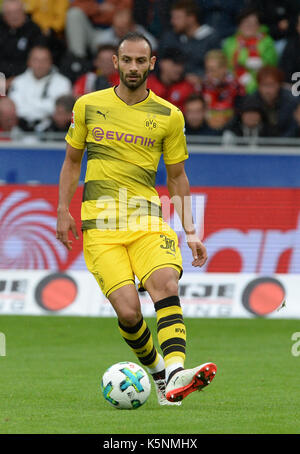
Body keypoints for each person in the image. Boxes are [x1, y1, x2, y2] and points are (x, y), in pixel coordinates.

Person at [56, 32, 217, 406]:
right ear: (115, 62)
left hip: (147, 218)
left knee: (166, 282)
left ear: (151, 63)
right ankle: (161, 376)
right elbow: (71, 161)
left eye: (140, 61)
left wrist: (190, 230)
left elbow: (177, 177)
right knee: (129, 312)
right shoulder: (88, 106)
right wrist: (63, 209)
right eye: (126, 60)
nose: (133, 67)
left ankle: (178, 372)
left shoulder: (168, 115)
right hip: (100, 225)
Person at [8, 45, 72, 131]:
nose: (40, 64)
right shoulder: (18, 81)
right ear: (29, 62)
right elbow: (15, 109)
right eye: (36, 60)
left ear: (51, 62)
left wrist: (29, 103)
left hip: (52, 132)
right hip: (19, 129)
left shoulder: (63, 82)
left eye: (44, 60)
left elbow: (60, 111)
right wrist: (44, 107)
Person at [159, 0, 220, 80]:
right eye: (172, 18)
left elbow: (216, 69)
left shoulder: (211, 39)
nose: (172, 22)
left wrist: (200, 77)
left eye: (177, 18)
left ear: (191, 18)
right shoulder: (171, 37)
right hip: (176, 85)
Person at [223, 7, 278, 94]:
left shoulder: (267, 42)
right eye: (245, 23)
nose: (249, 26)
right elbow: (227, 66)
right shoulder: (230, 43)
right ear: (239, 25)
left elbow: (271, 66)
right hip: (234, 85)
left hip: (260, 84)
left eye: (253, 23)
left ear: (259, 26)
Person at [245, 65, 299, 138]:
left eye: (271, 85)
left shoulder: (292, 101)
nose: (268, 90)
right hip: (260, 145)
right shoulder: (251, 102)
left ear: (280, 85)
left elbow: (293, 128)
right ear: (258, 86)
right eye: (264, 85)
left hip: (288, 144)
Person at [201, 49, 245, 132]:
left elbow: (239, 115)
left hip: (230, 131)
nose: (208, 74)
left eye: (212, 70)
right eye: (207, 70)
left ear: (224, 69)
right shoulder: (202, 86)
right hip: (206, 132)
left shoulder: (236, 87)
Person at [0, 0, 44, 81]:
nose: (14, 16)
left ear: (24, 12)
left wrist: (12, 82)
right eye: (9, 13)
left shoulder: (34, 31)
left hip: (24, 79)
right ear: (3, 15)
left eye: (17, 12)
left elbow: (37, 62)